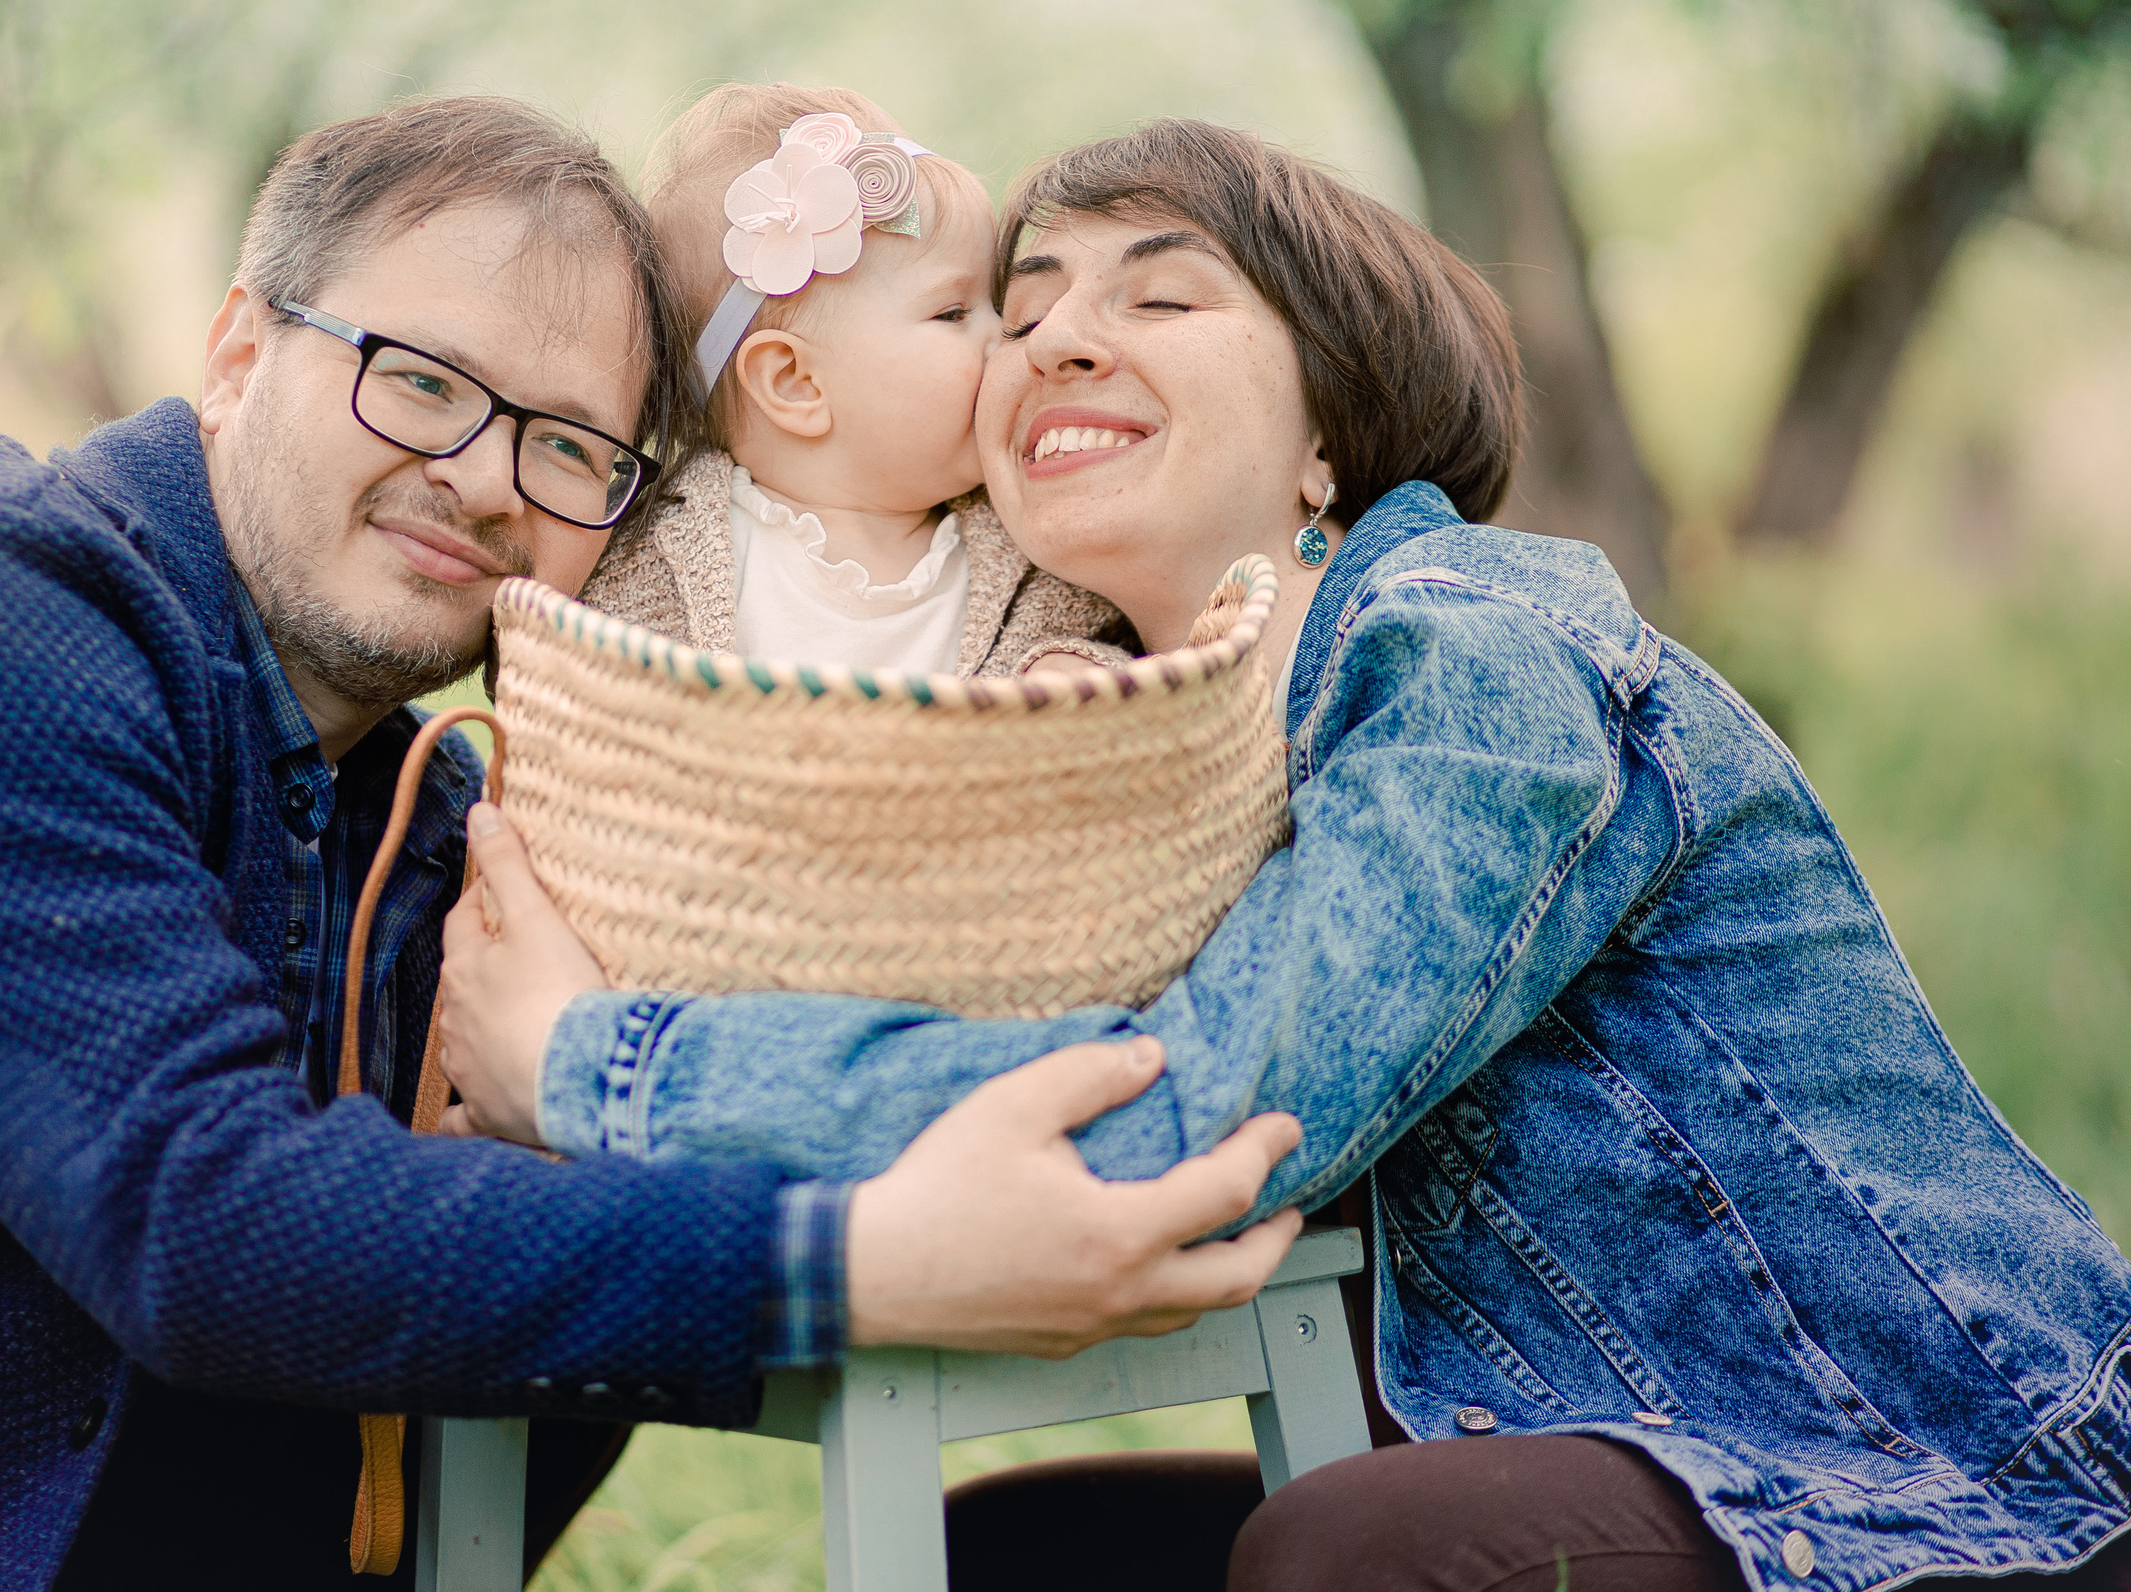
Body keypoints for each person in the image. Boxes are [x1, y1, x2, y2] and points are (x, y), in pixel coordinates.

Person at [0, 96, 1308, 1592]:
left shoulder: (430, 813)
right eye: (421, 385)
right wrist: (861, 1256)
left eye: (570, 450)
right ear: (239, 349)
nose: (487, 481)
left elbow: (518, 1250)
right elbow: (207, 1222)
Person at [437, 118, 2131, 1590]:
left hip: (1934, 1476)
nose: (1058, 346)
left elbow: (1180, 1119)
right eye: (1016, 314)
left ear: (1328, 428)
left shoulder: (1479, 658)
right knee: (1011, 1555)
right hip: (1570, 1421)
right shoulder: (1148, 760)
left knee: (1348, 1558)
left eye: (1159, 296)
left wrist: (597, 1060)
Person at [579, 81, 1127, 674]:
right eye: (953, 313)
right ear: (795, 382)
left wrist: (1072, 669)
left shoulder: (1030, 551)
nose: (1010, 339)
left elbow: (1120, 640)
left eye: (997, 304)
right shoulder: (658, 571)